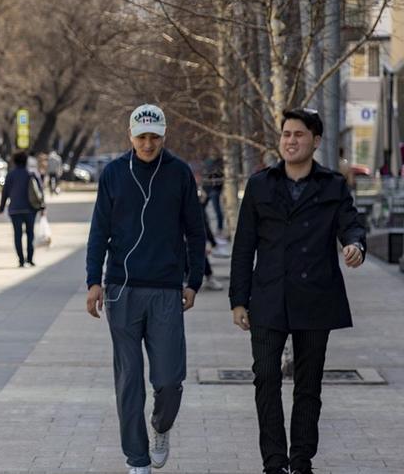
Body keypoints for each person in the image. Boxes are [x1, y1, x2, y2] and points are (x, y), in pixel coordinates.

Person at [229, 108, 366, 474]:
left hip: (315, 297)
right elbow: (244, 246)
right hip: (269, 297)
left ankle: (301, 459)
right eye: (286, 134)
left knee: (308, 384)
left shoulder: (333, 186)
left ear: (315, 141)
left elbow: (351, 225)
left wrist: (355, 246)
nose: (291, 140)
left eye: (299, 134)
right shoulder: (260, 185)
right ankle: (274, 462)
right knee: (266, 376)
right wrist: (238, 300)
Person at [86, 104, 206, 474]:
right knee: (129, 382)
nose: (148, 144)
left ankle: (161, 426)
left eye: (155, 137)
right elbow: (98, 231)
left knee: (169, 380)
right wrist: (93, 281)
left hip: (167, 290)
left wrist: (194, 280)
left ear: (163, 136)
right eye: (142, 137)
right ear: (130, 136)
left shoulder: (179, 173)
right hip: (122, 290)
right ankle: (136, 460)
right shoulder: (114, 174)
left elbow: (195, 232)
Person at [0, 150, 45, 267]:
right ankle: (30, 258)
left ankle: (21, 260)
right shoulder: (32, 174)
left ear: (14, 162)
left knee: (17, 235)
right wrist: (43, 206)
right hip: (30, 209)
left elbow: (5, 192)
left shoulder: (10, 175)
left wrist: (2, 207)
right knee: (30, 234)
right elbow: (40, 191)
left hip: (15, 210)